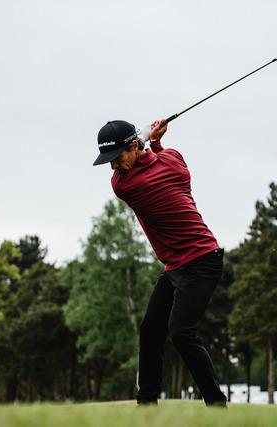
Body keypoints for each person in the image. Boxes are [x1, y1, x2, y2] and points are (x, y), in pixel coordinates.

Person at [92, 119, 227, 407]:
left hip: (202, 260)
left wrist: (149, 138)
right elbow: (161, 158)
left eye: (117, 158)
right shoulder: (173, 160)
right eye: (109, 161)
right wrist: (155, 141)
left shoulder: (127, 185)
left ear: (133, 146)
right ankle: (147, 406)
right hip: (177, 265)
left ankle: (217, 405)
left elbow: (142, 168)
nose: (113, 166)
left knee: (181, 332)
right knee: (150, 329)